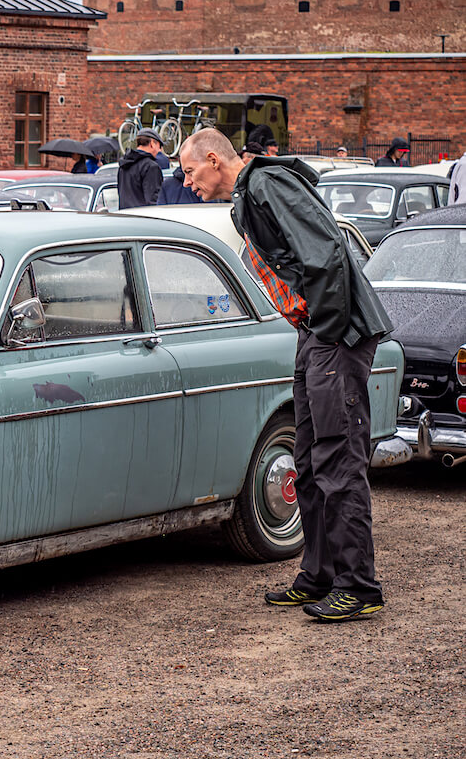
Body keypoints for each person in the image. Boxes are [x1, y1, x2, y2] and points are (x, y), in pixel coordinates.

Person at [179, 128, 393, 622]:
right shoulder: (250, 194)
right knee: (310, 458)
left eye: (190, 172)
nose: (188, 182)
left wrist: (327, 331)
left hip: (336, 334)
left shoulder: (268, 184)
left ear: (214, 159)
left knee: (337, 459)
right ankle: (318, 575)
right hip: (318, 334)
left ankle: (359, 587)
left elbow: (328, 254)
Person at [116, 128, 164, 209]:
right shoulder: (151, 167)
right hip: (143, 218)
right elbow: (153, 200)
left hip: (125, 216)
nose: (159, 150)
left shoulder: (123, 164)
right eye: (159, 146)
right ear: (152, 143)